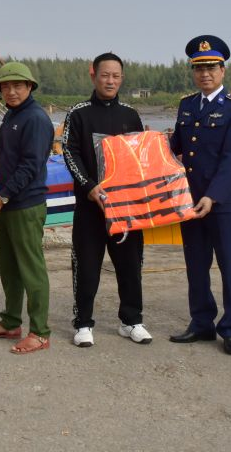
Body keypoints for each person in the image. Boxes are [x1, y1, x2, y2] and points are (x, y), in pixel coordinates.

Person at [168, 35, 231, 355]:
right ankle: (201, 323)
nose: (205, 74)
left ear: (222, 70)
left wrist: (213, 196)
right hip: (189, 200)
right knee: (196, 265)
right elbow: (176, 146)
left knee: (230, 267)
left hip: (223, 203)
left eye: (211, 68)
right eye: (199, 68)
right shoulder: (187, 105)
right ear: (193, 71)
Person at [61, 52, 149, 348]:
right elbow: (69, 153)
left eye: (116, 76)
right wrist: (89, 186)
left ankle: (131, 320)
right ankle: (83, 323)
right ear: (93, 76)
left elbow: (141, 157)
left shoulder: (131, 115)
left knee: (130, 265)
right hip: (90, 206)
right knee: (86, 266)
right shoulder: (78, 113)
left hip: (126, 208)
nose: (110, 81)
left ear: (122, 79)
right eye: (105, 75)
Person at [0, 62, 55, 355]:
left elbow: (31, 165)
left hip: (24, 204)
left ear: (30, 87)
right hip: (6, 204)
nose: (11, 91)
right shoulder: (12, 115)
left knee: (31, 269)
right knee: (9, 268)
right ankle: (11, 321)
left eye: (17, 86)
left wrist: (3, 196)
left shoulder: (34, 119)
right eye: (5, 87)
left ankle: (40, 331)